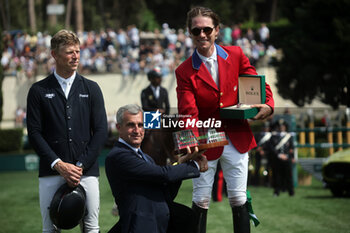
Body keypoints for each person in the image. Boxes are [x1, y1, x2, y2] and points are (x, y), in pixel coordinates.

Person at [175, 7, 274, 233]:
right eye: (196, 30)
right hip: (206, 139)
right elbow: (188, 112)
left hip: (237, 137)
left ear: (217, 31)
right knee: (200, 199)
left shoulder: (236, 54)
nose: (202, 34)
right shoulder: (184, 71)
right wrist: (188, 146)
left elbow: (256, 84)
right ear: (190, 33)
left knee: (239, 198)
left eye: (207, 29)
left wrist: (268, 104)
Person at [26, 29, 108, 233]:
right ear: (54, 54)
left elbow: (100, 131)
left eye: (78, 51)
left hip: (86, 173)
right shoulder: (38, 90)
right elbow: (35, 133)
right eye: (70, 52)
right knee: (50, 229)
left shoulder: (92, 88)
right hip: (50, 172)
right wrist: (59, 164)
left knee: (91, 229)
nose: (76, 56)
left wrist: (79, 166)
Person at [105, 104, 208, 233]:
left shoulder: (147, 159)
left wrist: (182, 161)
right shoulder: (119, 155)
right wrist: (195, 166)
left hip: (160, 223)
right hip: (141, 226)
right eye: (131, 125)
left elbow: (166, 194)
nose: (137, 130)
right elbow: (163, 174)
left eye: (140, 125)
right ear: (118, 128)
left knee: (187, 215)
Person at [269, 120, 295, 196]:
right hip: (277, 159)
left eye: (283, 126)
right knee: (277, 176)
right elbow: (271, 147)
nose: (281, 128)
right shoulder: (274, 136)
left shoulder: (288, 136)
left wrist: (291, 156)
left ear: (285, 127)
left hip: (287, 158)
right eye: (280, 126)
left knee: (288, 175)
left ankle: (291, 192)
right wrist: (279, 155)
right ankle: (276, 192)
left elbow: (291, 148)